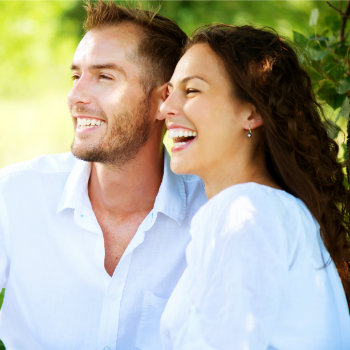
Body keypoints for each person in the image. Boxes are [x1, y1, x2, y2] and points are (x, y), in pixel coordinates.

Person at [0, 2, 207, 349]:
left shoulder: (211, 214)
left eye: (104, 76)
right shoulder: (14, 196)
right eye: (76, 75)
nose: (75, 96)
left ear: (164, 101)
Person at [160, 24, 350, 349]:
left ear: (251, 112)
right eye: (169, 92)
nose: (166, 109)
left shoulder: (246, 213)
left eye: (192, 91)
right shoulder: (266, 210)